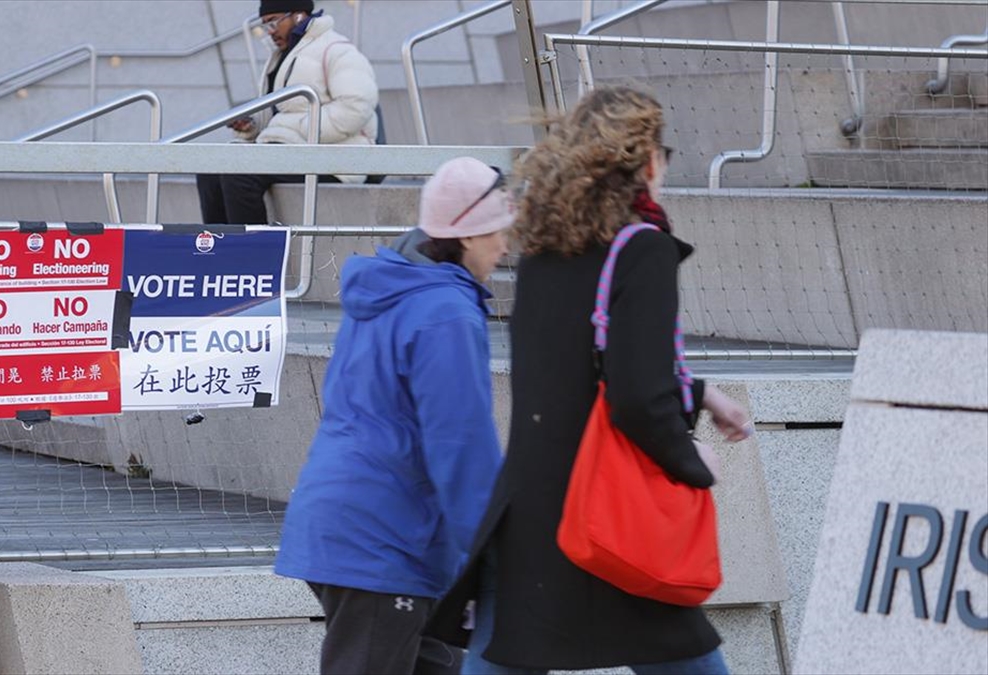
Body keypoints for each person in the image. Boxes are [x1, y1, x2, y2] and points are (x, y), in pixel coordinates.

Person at [429, 87, 754, 675]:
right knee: (688, 662)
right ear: (646, 160)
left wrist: (701, 393)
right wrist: (689, 462)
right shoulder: (643, 251)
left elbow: (572, 375)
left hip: (536, 508)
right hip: (608, 512)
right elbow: (635, 397)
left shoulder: (544, 252)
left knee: (504, 656)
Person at [275, 157, 514, 674]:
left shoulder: (389, 293)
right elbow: (461, 444)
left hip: (352, 523)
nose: (506, 245)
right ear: (469, 235)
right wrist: (497, 550)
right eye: (499, 230)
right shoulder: (444, 311)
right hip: (382, 542)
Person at [197, 0, 379, 225]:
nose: (270, 32)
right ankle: (219, 252)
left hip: (334, 159)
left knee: (239, 173)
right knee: (208, 167)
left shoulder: (337, 49)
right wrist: (251, 125)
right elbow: (280, 114)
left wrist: (305, 130)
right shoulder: (285, 55)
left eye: (273, 22)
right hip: (294, 152)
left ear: (299, 15)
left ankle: (254, 255)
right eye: (265, 26)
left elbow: (356, 106)